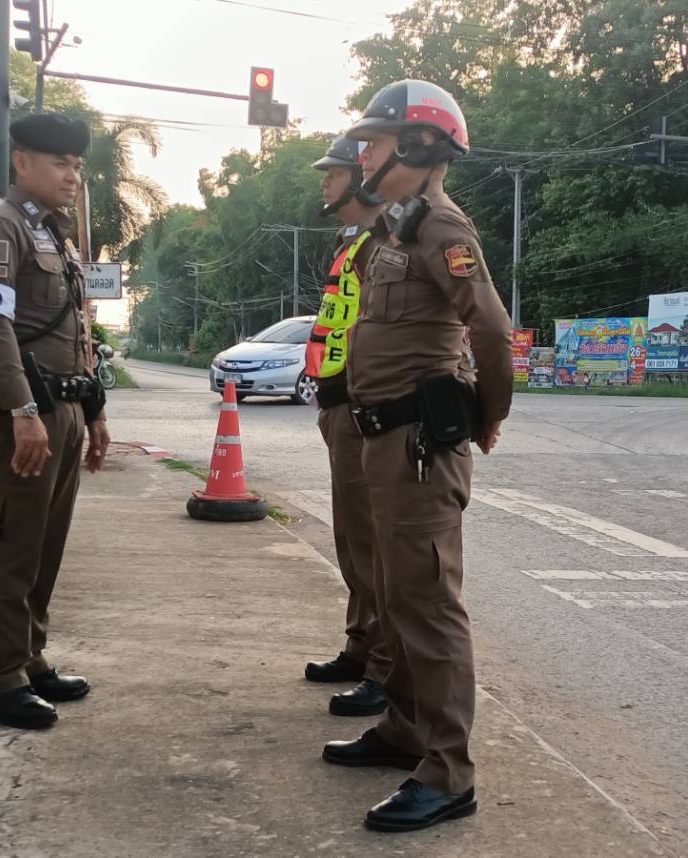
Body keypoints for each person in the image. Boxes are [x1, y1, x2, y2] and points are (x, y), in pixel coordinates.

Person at [320, 79, 512, 834]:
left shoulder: (440, 227)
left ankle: (448, 771)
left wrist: (487, 416)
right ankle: (403, 729)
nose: (363, 154)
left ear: (420, 145)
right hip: (385, 442)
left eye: (374, 141)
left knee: (428, 605)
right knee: (396, 596)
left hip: (421, 446)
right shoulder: (391, 231)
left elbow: (490, 330)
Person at [0, 113, 110, 731]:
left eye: (76, 165)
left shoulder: (55, 235)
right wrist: (23, 410)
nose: (72, 176)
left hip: (65, 409)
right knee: (14, 545)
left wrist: (94, 408)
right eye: (59, 164)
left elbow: (75, 331)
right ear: (22, 163)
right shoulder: (0, 227)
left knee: (46, 545)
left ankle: (29, 658)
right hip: (26, 414)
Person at [302, 134, 392, 718]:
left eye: (333, 173)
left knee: (372, 544)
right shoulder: (352, 241)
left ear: (360, 181)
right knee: (351, 539)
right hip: (339, 407)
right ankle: (361, 645)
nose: (326, 182)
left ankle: (384, 665)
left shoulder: (384, 241)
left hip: (363, 410)